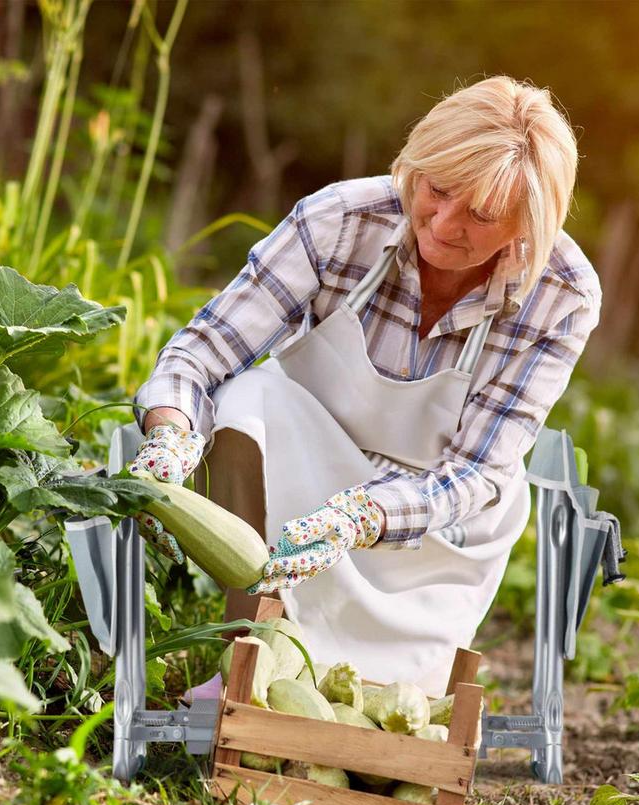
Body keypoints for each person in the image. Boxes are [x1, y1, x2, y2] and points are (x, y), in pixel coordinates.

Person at [129, 75, 601, 700]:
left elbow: (478, 471)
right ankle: (246, 649)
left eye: (481, 215)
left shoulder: (560, 295)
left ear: (526, 225)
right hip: (307, 470)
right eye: (437, 189)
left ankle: (362, 680)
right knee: (247, 401)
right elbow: (204, 350)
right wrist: (171, 433)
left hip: (432, 525)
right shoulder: (341, 220)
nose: (442, 223)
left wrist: (365, 514)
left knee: (376, 706)